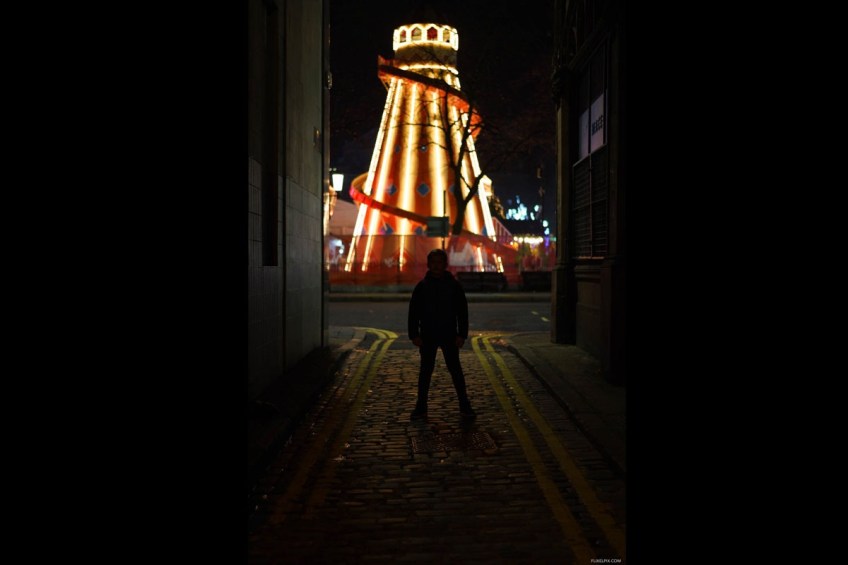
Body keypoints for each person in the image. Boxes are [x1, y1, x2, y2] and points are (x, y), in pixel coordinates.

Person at [407, 248, 476, 419]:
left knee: (455, 371)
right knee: (425, 372)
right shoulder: (422, 287)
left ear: (445, 264)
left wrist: (462, 334)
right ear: (428, 264)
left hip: (449, 334)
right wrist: (414, 334)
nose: (436, 266)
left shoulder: (454, 286)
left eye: (439, 262)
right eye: (433, 262)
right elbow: (414, 312)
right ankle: (421, 406)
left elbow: (462, 312)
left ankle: (464, 404)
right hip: (428, 335)